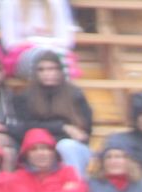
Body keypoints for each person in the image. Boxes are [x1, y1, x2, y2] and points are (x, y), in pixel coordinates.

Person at [14, 50, 92, 178]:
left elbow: (84, 132)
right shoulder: (25, 97)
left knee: (66, 146)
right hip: (39, 144)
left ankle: (75, 183)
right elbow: (25, 127)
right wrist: (62, 127)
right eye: (41, 70)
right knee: (39, 150)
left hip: (71, 146)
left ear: (60, 71)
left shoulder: (75, 95)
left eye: (52, 69)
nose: (47, 73)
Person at [0, 0, 75, 80]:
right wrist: (33, 43)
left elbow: (67, 41)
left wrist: (41, 43)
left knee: (58, 59)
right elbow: (9, 43)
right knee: (42, 60)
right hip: (23, 54)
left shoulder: (57, 2)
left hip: (53, 50)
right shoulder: (11, 2)